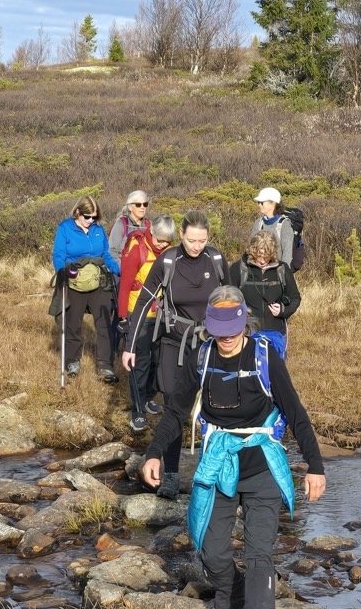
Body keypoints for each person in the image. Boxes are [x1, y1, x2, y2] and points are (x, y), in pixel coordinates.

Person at [140, 286, 326, 609]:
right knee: (210, 548)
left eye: (231, 328)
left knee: (259, 555)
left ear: (243, 322)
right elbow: (175, 411)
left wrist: (315, 465)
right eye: (218, 329)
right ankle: (231, 593)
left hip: (261, 468)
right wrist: (155, 451)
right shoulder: (202, 356)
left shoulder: (265, 357)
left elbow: (295, 411)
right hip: (218, 466)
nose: (225, 337)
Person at [121, 210, 226, 498]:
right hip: (173, 344)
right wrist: (130, 346)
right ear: (181, 235)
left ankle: (213, 473)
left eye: (202, 240)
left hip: (209, 344)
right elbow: (143, 302)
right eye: (192, 240)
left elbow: (231, 301)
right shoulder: (168, 261)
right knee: (173, 409)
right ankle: (170, 475)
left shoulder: (215, 260)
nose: (196, 246)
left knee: (214, 409)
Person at [52, 196, 120, 382]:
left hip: (98, 281)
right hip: (75, 282)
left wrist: (118, 270)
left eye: (94, 218)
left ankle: (105, 366)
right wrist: (62, 271)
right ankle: (72, 361)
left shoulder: (98, 230)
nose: (91, 221)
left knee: (104, 324)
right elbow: (59, 254)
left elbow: (105, 254)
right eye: (87, 217)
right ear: (77, 213)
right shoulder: (65, 228)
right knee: (73, 324)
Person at [118, 213, 176, 432]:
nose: (162, 245)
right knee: (140, 364)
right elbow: (125, 285)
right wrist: (123, 317)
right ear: (152, 232)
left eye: (167, 242)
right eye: (159, 240)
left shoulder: (170, 253)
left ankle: (150, 397)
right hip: (139, 313)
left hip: (162, 316)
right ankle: (138, 411)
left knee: (157, 361)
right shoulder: (137, 249)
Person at [229, 229, 300, 358]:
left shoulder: (282, 269)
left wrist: (283, 310)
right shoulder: (238, 269)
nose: (262, 261)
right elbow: (227, 299)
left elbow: (295, 297)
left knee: (275, 374)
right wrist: (239, 312)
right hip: (246, 333)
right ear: (252, 251)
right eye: (259, 256)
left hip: (276, 333)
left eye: (266, 257)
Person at [250, 186, 296, 268]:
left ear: (273, 203)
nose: (259, 205)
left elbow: (287, 254)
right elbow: (251, 248)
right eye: (258, 203)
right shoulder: (258, 223)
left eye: (262, 202)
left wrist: (284, 273)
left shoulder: (284, 225)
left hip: (277, 272)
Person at [109, 190, 152, 261]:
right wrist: (123, 270)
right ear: (130, 207)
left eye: (145, 204)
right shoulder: (121, 224)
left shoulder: (149, 225)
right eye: (138, 204)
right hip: (124, 268)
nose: (142, 207)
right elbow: (112, 251)